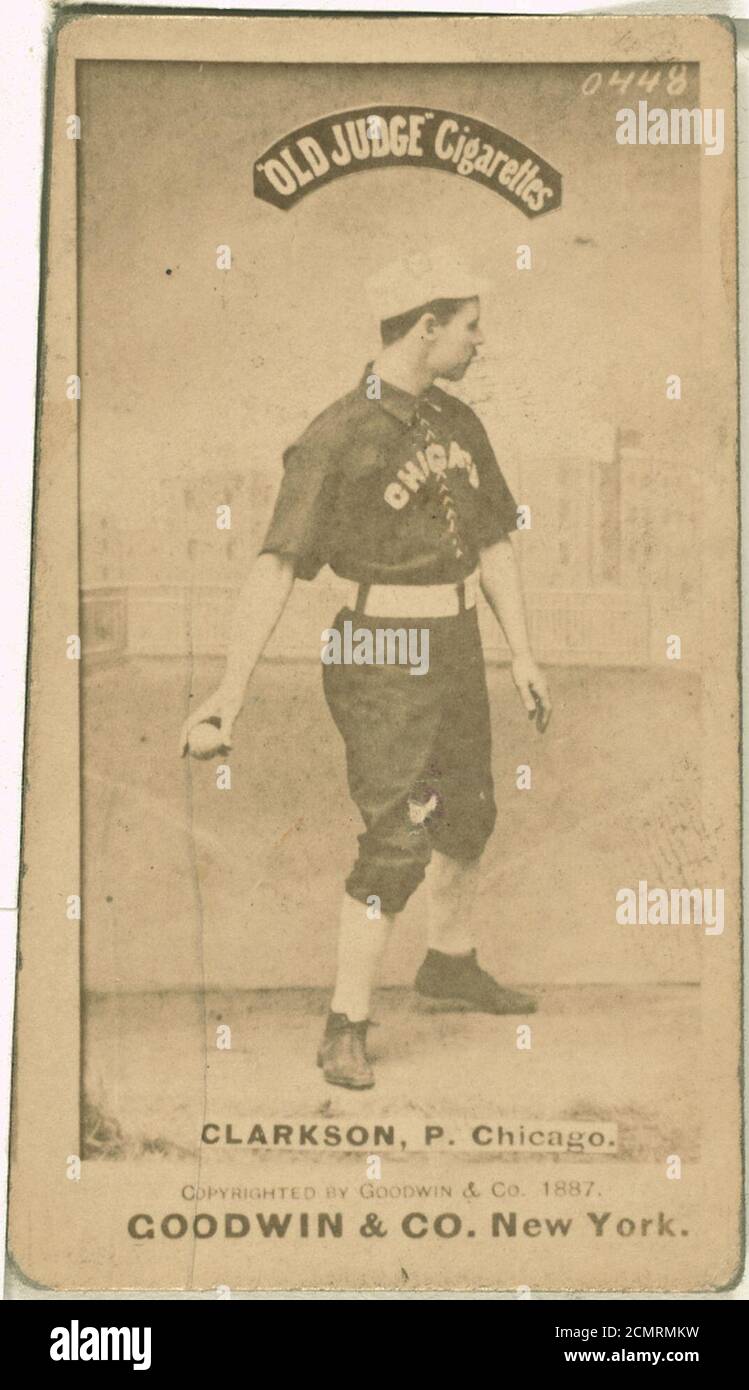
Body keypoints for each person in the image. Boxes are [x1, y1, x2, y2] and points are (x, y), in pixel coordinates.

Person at [180, 247, 551, 1091]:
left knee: (469, 815)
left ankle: (449, 963)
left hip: (455, 646)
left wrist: (522, 652)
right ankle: (344, 1021)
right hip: (378, 652)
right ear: (427, 327)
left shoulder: (459, 423)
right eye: (468, 325)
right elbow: (277, 564)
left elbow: (493, 541)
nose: (479, 340)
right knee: (396, 841)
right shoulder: (336, 435)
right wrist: (228, 694)